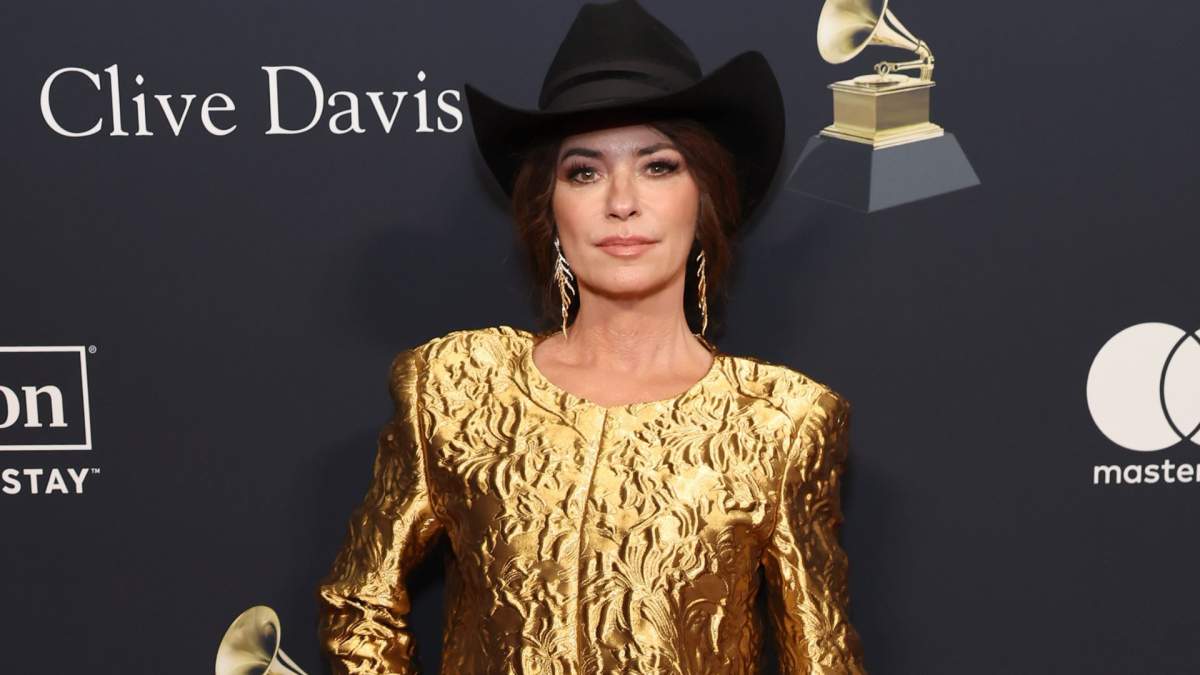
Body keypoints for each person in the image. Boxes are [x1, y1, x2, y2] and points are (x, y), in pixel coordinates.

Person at [316, 0, 868, 672]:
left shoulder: (781, 423)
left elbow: (823, 655)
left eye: (658, 165)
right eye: (585, 171)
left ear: (705, 196)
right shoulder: (455, 388)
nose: (621, 201)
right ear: (549, 209)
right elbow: (359, 601)